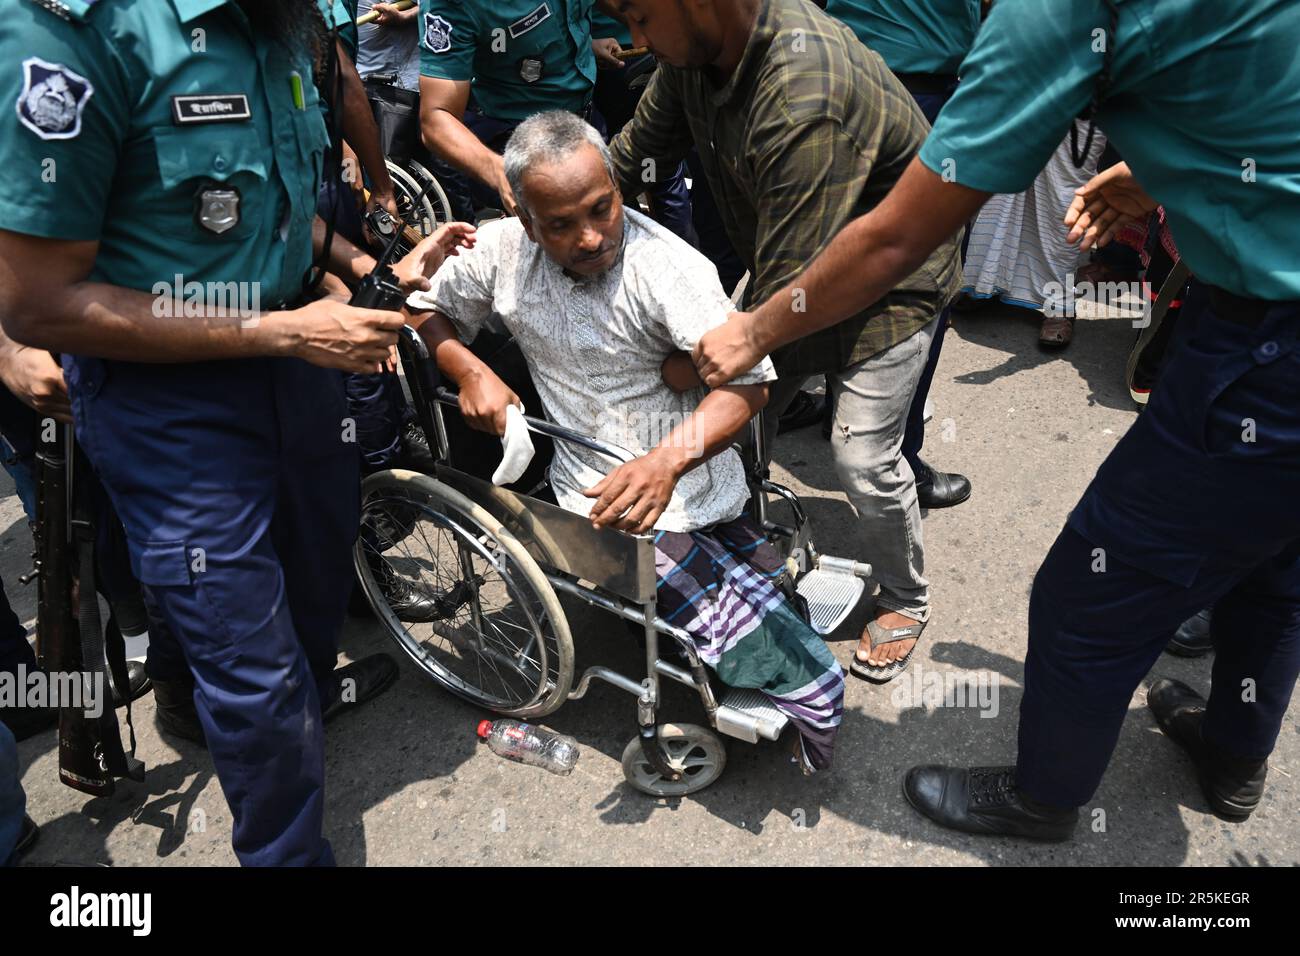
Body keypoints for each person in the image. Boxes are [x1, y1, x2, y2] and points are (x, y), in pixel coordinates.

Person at [694, 0, 1300, 840]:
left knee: (1089, 597)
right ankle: (1235, 751)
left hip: (1266, 353)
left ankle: (1046, 796)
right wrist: (1171, 173)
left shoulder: (1060, 12)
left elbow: (898, 237)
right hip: (1261, 321)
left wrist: (755, 332)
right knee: (1274, 569)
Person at [0, 0, 465, 866]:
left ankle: (257, 704)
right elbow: (37, 299)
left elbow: (274, 200)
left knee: (316, 578)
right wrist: (276, 331)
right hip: (169, 402)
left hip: (298, 360)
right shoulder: (71, 33)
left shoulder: (283, 19)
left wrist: (356, 270)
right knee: (252, 666)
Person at [407, 111, 845, 771]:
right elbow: (419, 305)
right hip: (588, 482)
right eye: (561, 224)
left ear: (617, 187)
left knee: (760, 601)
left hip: (690, 470)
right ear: (526, 221)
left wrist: (665, 463)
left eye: (602, 208)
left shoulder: (669, 268)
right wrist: (467, 368)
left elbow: (749, 388)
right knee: (703, 583)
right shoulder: (501, 250)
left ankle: (774, 663)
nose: (591, 237)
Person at [607, 0, 963, 685]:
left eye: (642, 20)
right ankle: (739, 557)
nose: (634, 40)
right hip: (793, 271)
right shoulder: (696, 49)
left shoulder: (804, 89)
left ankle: (907, 596)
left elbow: (791, 290)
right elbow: (634, 154)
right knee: (732, 424)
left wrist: (700, 366)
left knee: (860, 457)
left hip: (891, 282)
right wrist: (549, 222)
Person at [823, 0, 982, 505]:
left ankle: (843, 413)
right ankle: (900, 459)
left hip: (842, 80)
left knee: (845, 263)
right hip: (921, 95)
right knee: (923, 284)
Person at [417, 0, 602, 218]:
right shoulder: (452, 6)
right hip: (524, 147)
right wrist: (500, 173)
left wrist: (585, 42)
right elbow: (437, 118)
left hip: (590, 123)